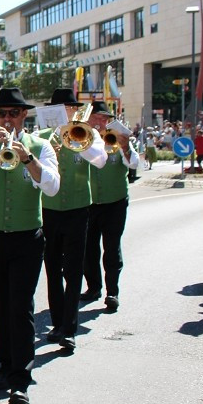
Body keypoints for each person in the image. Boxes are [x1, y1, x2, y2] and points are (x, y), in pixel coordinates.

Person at [0, 88, 59, 404]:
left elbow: (53, 187)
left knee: (21, 306)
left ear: (24, 116)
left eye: (14, 113)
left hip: (28, 237)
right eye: (2, 114)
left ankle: (20, 379)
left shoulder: (41, 146)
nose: (8, 119)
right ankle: (4, 364)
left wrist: (26, 157)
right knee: (0, 304)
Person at [38, 88, 107, 350]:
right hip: (49, 210)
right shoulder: (43, 136)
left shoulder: (89, 133)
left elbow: (100, 161)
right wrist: (55, 138)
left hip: (78, 209)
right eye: (61, 108)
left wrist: (77, 137)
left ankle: (70, 328)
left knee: (74, 268)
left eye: (69, 107)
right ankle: (57, 323)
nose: (66, 112)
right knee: (52, 267)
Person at [81, 103, 139, 314]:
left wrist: (125, 147)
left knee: (112, 247)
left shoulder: (115, 137)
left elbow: (134, 164)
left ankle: (112, 291)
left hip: (115, 202)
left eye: (104, 119)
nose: (100, 122)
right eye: (96, 118)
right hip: (88, 203)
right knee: (88, 248)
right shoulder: (81, 137)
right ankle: (94, 287)